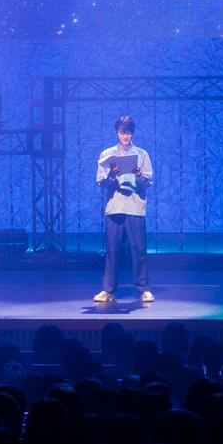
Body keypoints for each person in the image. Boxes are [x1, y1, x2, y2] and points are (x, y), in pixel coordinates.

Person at [94, 115, 154, 303]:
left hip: (134, 206)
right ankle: (108, 290)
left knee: (139, 250)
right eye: (122, 132)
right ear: (116, 132)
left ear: (132, 133)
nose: (125, 136)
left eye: (128, 132)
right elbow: (101, 182)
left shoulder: (142, 154)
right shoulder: (107, 155)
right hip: (115, 207)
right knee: (112, 251)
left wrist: (138, 176)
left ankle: (143, 289)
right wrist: (112, 175)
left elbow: (147, 182)